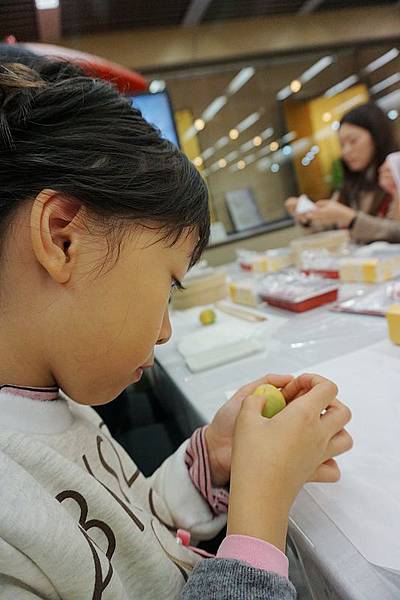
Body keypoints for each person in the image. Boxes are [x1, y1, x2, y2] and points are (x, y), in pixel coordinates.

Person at [0, 59, 352, 600]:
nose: (164, 331)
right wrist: (258, 519)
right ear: (63, 236)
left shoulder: (57, 404)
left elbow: (132, 534)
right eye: (168, 286)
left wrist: (213, 458)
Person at [286, 102, 400, 243]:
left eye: (353, 141)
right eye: (342, 145)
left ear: (377, 137)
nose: (346, 151)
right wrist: (307, 216)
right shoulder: (350, 185)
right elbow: (329, 228)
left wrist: (352, 219)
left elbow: (396, 232)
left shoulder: (395, 173)